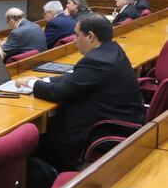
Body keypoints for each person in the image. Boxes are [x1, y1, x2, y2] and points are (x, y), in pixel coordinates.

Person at [15, 14, 144, 169]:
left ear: (90, 36)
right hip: (121, 122)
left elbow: (59, 92)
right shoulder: (112, 50)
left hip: (99, 132)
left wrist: (30, 82)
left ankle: (43, 186)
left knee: (32, 145)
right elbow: (76, 79)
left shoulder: (97, 61)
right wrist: (44, 80)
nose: (74, 40)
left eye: (77, 35)